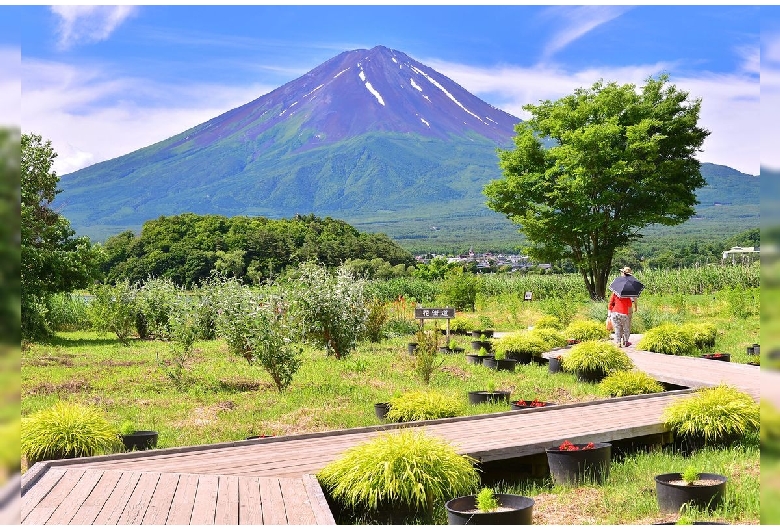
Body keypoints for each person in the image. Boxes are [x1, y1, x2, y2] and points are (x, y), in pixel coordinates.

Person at [609, 267, 638, 346]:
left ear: (623, 273)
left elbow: (612, 298)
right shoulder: (632, 283)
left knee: (618, 326)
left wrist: (610, 310)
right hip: (628, 305)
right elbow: (634, 297)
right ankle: (626, 341)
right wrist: (635, 306)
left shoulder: (618, 282)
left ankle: (618, 341)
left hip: (618, 306)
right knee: (627, 325)